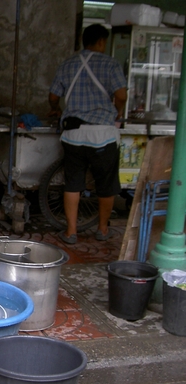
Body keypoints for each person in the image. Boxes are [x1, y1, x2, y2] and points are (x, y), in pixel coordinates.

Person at [48, 24, 127, 245]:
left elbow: (53, 96)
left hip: (73, 135)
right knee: (106, 184)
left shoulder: (68, 64)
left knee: (73, 183)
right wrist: (118, 110)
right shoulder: (110, 64)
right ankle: (102, 229)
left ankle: (71, 232)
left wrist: (56, 108)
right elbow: (121, 94)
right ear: (101, 41)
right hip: (103, 134)